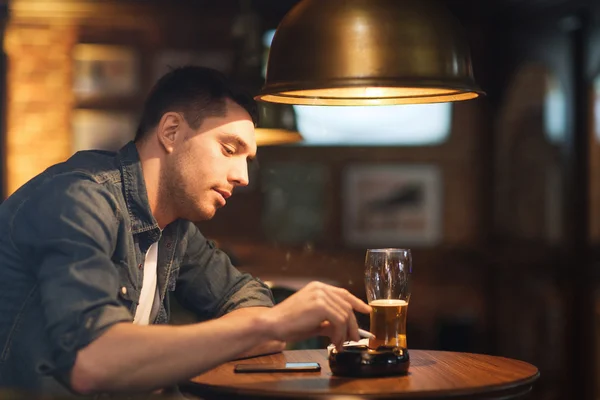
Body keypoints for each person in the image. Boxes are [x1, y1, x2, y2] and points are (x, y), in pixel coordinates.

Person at [0, 66, 371, 396]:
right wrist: (271, 323)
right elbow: (92, 362)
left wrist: (266, 323)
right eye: (229, 149)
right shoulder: (78, 200)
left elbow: (247, 298)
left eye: (248, 160)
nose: (242, 177)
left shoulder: (175, 227)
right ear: (171, 131)